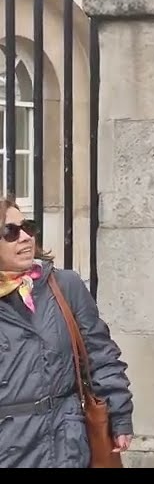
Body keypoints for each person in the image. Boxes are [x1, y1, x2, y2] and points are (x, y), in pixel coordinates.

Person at [0, 195, 133, 467]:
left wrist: (119, 415)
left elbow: (100, 355)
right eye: (10, 232)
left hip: (65, 442)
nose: (25, 237)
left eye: (27, 226)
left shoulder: (63, 285)